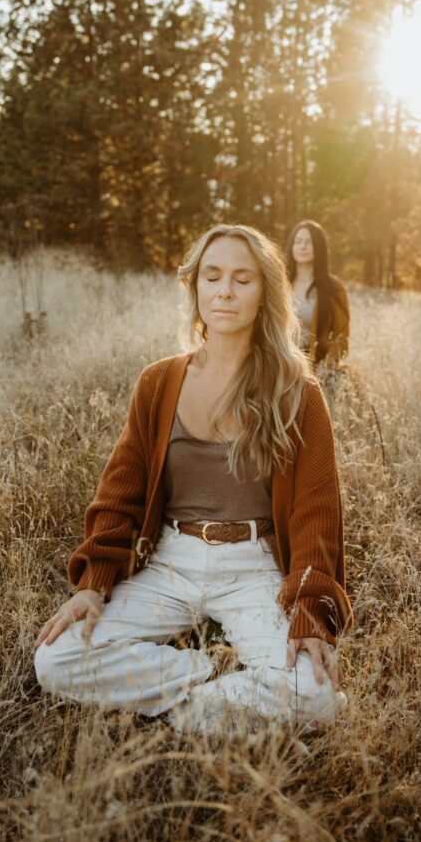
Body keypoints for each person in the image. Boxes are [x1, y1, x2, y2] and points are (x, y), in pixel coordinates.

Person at [35, 224, 352, 736]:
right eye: (213, 276)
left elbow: (317, 512)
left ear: (265, 292)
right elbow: (121, 490)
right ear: (196, 288)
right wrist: (94, 583)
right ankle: (211, 677)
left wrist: (311, 612)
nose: (226, 290)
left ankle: (187, 711)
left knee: (317, 696)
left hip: (254, 567)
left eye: (243, 279)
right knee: (56, 659)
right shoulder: (159, 381)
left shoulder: (298, 392)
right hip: (170, 560)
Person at [286, 220, 349, 367]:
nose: (302, 246)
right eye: (298, 241)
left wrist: (325, 370)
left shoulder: (334, 288)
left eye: (309, 242)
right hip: (281, 365)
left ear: (319, 247)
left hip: (316, 366)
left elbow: (341, 337)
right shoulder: (279, 283)